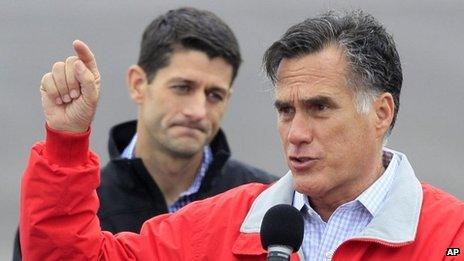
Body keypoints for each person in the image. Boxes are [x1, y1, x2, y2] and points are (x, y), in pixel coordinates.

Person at [20, 10, 463, 260]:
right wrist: (65, 142)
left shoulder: (450, 235)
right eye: (286, 110)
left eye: (320, 108)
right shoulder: (228, 219)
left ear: (381, 112)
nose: (297, 133)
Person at [13, 7, 276, 260]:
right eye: (183, 87)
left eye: (214, 95)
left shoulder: (267, 204)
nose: (198, 110)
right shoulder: (73, 208)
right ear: (138, 84)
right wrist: (66, 138)